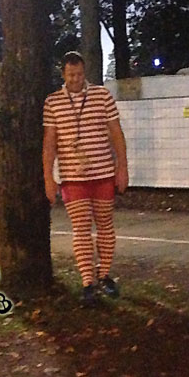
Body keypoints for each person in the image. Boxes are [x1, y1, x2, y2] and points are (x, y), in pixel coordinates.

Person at [43, 51, 129, 306]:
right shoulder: (53, 102)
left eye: (79, 74)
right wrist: (48, 177)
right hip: (72, 177)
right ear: (63, 74)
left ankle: (104, 275)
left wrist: (121, 167)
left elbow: (116, 133)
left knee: (104, 225)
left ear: (85, 72)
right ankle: (87, 282)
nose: (76, 79)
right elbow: (49, 143)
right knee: (80, 230)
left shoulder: (102, 95)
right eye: (71, 75)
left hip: (103, 173)